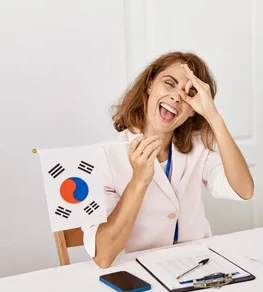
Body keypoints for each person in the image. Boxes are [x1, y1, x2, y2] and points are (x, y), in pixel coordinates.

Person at [82, 51, 254, 268]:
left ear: (193, 110)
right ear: (150, 85)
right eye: (169, 83)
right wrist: (139, 181)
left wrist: (213, 116)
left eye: (189, 93)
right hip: (139, 273)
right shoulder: (103, 158)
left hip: (198, 267)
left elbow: (244, 189)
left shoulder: (198, 145)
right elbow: (103, 256)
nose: (176, 97)